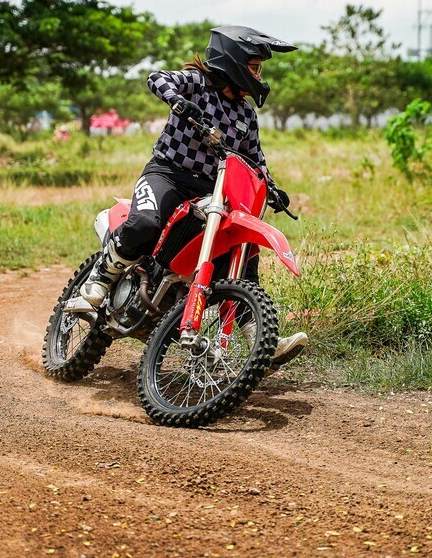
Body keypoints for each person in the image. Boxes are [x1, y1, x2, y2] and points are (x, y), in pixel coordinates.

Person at [79, 26, 308, 366]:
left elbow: (255, 159)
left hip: (209, 190)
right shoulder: (196, 83)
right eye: (255, 67)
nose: (259, 75)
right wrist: (176, 100)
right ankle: (100, 279)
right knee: (144, 223)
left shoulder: (245, 114)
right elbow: (157, 78)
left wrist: (272, 188)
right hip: (167, 174)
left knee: (242, 253)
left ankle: (260, 340)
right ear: (233, 61)